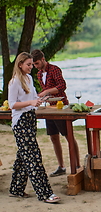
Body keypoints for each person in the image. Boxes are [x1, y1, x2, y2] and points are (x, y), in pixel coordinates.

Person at [8, 52, 60, 203]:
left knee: (24, 156)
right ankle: (45, 194)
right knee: (34, 157)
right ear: (20, 65)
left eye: (32, 64)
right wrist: (30, 103)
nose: (31, 67)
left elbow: (33, 98)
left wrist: (40, 99)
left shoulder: (29, 78)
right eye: (28, 64)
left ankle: (16, 189)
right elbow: (12, 104)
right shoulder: (14, 82)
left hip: (31, 119)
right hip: (21, 122)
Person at [31, 49, 80, 176]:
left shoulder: (55, 69)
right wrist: (41, 98)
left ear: (43, 59)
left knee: (68, 136)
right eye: (33, 64)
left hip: (60, 107)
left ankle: (78, 164)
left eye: (36, 63)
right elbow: (44, 91)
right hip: (49, 109)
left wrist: (46, 92)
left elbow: (62, 86)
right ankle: (61, 167)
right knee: (53, 137)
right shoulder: (38, 74)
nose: (35, 67)